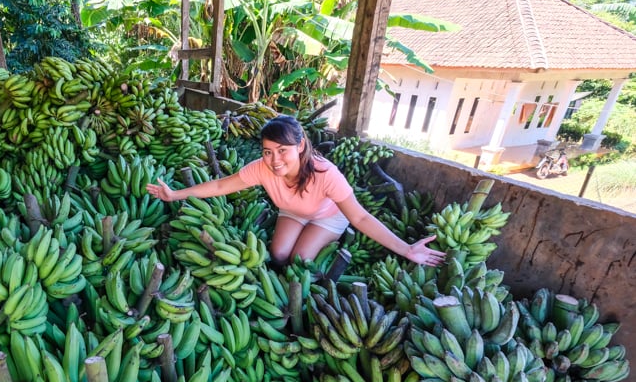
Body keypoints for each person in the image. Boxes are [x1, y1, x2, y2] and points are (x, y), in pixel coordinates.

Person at [146, 115, 445, 268]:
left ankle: (327, 244)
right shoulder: (262, 168)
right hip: (292, 211)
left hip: (329, 217)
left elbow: (362, 218)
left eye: (282, 150)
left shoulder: (326, 174)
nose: (274, 160)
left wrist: (407, 249)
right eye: (267, 151)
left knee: (300, 260)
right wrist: (176, 194)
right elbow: (222, 185)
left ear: (300, 145)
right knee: (278, 254)